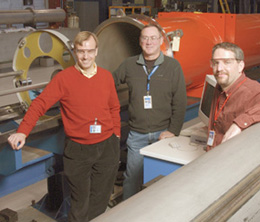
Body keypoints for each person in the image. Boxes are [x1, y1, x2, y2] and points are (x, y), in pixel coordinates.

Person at [7, 31, 121, 222]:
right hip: (78, 150)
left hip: (107, 146)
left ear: (96, 51)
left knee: (100, 200)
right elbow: (39, 104)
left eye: (90, 51)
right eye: (81, 51)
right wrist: (22, 131)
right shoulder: (64, 79)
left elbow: (114, 107)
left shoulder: (106, 77)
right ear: (75, 52)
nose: (85, 56)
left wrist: (116, 134)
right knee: (80, 204)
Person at [113, 24, 187, 200]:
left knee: (161, 181)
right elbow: (109, 83)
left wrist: (173, 130)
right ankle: (128, 214)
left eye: (153, 38)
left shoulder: (173, 66)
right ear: (140, 41)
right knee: (132, 179)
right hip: (137, 134)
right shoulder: (129, 65)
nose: (149, 42)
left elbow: (180, 101)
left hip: (163, 134)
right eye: (145, 38)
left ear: (161, 41)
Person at [207, 42, 260, 151]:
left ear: (240, 66)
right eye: (216, 62)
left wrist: (239, 124)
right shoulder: (220, 86)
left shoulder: (252, 90)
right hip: (215, 154)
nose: (219, 68)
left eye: (227, 62)